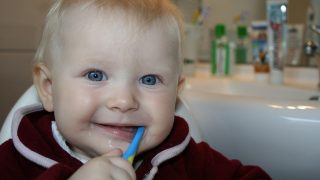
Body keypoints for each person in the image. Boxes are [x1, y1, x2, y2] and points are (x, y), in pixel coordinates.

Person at [0, 0, 271, 179]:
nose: (124, 101)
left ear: (176, 92)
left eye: (150, 80)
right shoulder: (15, 162)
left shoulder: (188, 160)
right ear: (48, 88)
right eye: (96, 75)